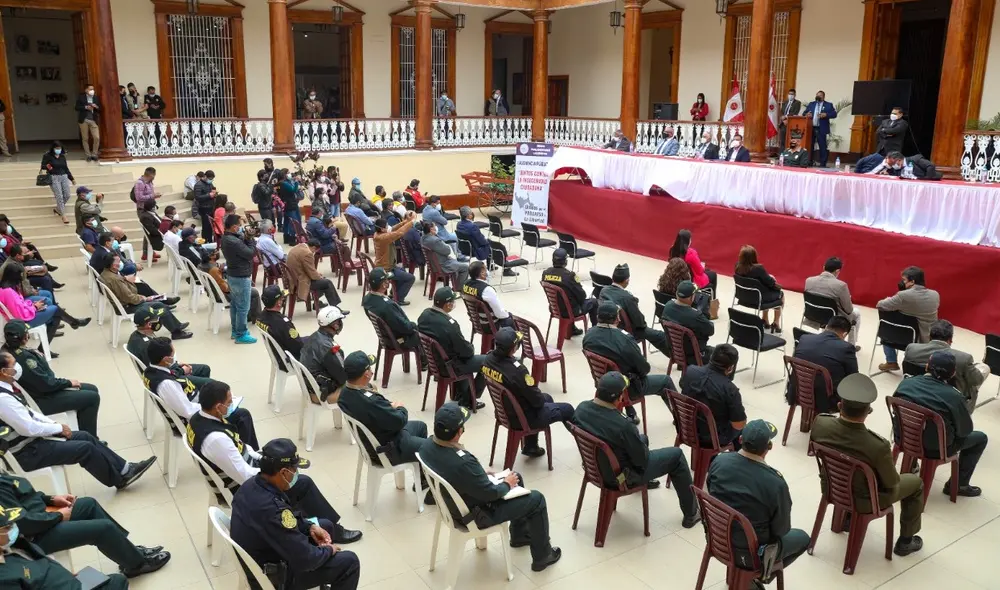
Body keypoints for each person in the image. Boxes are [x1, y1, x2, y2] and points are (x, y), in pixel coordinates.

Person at [419, 402, 562, 571]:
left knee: (516, 476)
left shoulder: (427, 446)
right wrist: (506, 484)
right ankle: (543, 556)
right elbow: (491, 493)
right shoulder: (463, 463)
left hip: (453, 504)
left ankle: (520, 535)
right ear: (458, 432)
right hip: (476, 514)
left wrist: (479, 476)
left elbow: (460, 473)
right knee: (537, 499)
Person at [0, 351, 156, 490]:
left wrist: (55, 425)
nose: (18, 367)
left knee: (85, 436)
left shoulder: (7, 389)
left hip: (33, 442)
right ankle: (119, 480)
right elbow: (27, 427)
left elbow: (30, 413)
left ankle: (125, 469)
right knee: (85, 448)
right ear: (4, 372)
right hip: (26, 453)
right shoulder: (3, 399)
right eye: (14, 365)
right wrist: (58, 429)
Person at [810, 373, 925, 557]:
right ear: (868, 412)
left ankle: (846, 518)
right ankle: (906, 541)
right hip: (865, 500)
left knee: (854, 475)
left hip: (832, 487)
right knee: (916, 483)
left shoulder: (820, 423)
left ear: (840, 406)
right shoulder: (877, 446)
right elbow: (891, 482)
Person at [229, 438, 362, 590]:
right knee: (349, 562)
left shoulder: (251, 485)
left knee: (325, 525)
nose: (296, 474)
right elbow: (307, 559)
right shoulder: (273, 510)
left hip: (265, 552)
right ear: (283, 472)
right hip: (274, 576)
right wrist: (329, 550)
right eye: (294, 470)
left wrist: (310, 527)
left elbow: (287, 520)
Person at [572, 372, 700, 525]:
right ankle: (692, 514)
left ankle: (647, 480)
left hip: (595, 468)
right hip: (620, 478)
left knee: (642, 438)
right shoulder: (623, 426)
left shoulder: (580, 409)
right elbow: (642, 460)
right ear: (619, 397)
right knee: (676, 456)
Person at [0, 470, 171, 578]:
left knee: (88, 504)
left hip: (42, 516)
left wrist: (51, 499)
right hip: (33, 537)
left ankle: (129, 550)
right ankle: (136, 565)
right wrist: (58, 516)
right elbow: (23, 523)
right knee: (102, 529)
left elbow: (23, 494)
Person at [707, 419, 810, 580]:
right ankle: (762, 575)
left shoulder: (719, 461)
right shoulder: (775, 483)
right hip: (751, 555)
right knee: (803, 538)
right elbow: (781, 530)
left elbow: (710, 493)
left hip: (717, 538)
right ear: (769, 447)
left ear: (740, 439)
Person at [337, 351, 434, 498]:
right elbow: (399, 421)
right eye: (370, 369)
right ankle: (432, 493)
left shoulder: (344, 393)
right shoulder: (370, 402)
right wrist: (400, 407)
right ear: (366, 374)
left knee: (420, 426)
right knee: (431, 448)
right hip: (389, 448)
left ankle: (423, 479)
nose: (372, 371)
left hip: (371, 443)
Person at [892, 352, 988, 497]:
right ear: (952, 374)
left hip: (903, 438)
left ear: (926, 366)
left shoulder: (906, 383)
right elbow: (965, 431)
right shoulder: (954, 396)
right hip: (935, 449)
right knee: (980, 438)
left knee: (919, 427)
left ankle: (910, 466)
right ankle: (959, 485)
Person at [483, 328, 574, 458]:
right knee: (567, 409)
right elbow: (537, 402)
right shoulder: (518, 371)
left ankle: (531, 446)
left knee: (547, 397)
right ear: (514, 348)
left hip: (504, 411)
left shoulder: (488, 360)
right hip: (522, 418)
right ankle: (584, 442)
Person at [3, 321, 101, 438]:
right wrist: (67, 383)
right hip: (40, 399)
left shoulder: (7, 352)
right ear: (24, 337)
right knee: (92, 398)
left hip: (40, 391)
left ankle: (88, 434)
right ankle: (92, 439)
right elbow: (45, 384)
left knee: (92, 389)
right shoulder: (22, 358)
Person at [0, 502, 130, 589]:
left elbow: (40, 564)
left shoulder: (15, 546)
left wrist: (63, 576)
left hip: (69, 582)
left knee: (117, 580)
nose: (13, 527)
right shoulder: (5, 580)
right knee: (116, 584)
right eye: (7, 526)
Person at [583, 301, 674, 424]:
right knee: (665, 381)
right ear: (617, 319)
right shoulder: (625, 339)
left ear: (598, 316)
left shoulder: (588, 335)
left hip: (602, 381)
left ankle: (631, 412)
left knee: (621, 369)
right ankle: (681, 419)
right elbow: (644, 369)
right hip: (628, 387)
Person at [418, 287, 486, 410]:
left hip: (434, 362)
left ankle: (459, 394)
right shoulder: (450, 325)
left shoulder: (424, 315)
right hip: (449, 366)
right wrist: (471, 347)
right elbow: (466, 352)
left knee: (457, 354)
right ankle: (469, 399)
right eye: (453, 301)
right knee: (488, 362)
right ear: (448, 305)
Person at [98, 253, 190, 340]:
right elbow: (130, 298)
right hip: (128, 306)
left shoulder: (105, 273)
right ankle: (176, 333)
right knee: (161, 309)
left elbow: (125, 293)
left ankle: (176, 326)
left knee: (158, 303)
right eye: (118, 261)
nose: (121, 263)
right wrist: (144, 298)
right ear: (113, 265)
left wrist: (126, 280)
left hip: (124, 303)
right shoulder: (115, 280)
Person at [905, 320, 990, 412]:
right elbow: (977, 380)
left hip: (916, 394)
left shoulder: (911, 349)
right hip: (950, 404)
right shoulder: (963, 359)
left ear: (929, 336)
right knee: (984, 368)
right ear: (950, 340)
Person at [0, 262, 90, 345]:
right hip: (23, 322)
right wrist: (35, 307)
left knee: (56, 315)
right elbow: (20, 314)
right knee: (55, 310)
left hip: (24, 314)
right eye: (20, 275)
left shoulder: (8, 288)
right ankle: (74, 322)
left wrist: (32, 304)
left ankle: (73, 323)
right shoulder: (8, 292)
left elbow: (20, 304)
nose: (22, 277)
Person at [785, 316, 858, 414]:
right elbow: (854, 377)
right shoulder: (847, 348)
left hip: (797, 392)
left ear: (826, 327)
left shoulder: (804, 338)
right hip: (826, 401)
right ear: (845, 334)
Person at [680, 344, 746, 449]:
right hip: (712, 438)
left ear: (711, 357)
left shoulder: (690, 371)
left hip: (685, 428)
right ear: (730, 368)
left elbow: (682, 385)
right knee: (744, 430)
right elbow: (739, 425)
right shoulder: (730, 389)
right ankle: (736, 459)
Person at [598, 263, 671, 356]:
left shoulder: (603, 291)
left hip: (609, 326)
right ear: (627, 280)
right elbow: (640, 323)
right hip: (628, 330)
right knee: (660, 336)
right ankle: (675, 357)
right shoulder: (627, 297)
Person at [876, 266, 940, 372]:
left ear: (912, 282)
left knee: (887, 320)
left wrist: (890, 298)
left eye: (904, 280)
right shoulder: (935, 295)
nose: (902, 282)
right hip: (930, 338)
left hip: (906, 338)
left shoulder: (903, 296)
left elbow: (880, 305)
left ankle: (891, 361)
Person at [127, 306, 211, 387]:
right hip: (166, 379)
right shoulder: (148, 346)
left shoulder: (135, 336)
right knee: (209, 381)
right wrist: (181, 370)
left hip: (160, 371)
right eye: (156, 319)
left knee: (204, 368)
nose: (159, 320)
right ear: (149, 324)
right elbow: (160, 372)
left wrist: (177, 364)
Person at [362, 268, 423, 362]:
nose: (389, 281)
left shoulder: (366, 300)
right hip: (397, 340)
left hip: (385, 336)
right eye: (387, 279)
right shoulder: (387, 306)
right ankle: (424, 362)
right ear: (384, 284)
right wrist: (414, 325)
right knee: (425, 332)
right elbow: (405, 328)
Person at [804, 256, 862, 346]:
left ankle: (825, 335)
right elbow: (849, 310)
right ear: (837, 271)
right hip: (833, 319)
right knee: (856, 313)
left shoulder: (809, 280)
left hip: (812, 315)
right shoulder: (841, 286)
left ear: (824, 267)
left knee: (825, 309)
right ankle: (851, 345)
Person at [220, 214, 257, 344]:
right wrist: (251, 240)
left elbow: (242, 245)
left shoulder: (226, 237)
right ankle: (241, 334)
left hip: (233, 274)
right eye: (239, 226)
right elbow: (250, 253)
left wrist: (246, 237)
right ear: (234, 227)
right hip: (241, 276)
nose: (240, 228)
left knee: (235, 304)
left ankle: (235, 331)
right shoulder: (234, 241)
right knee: (243, 307)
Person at [300, 306, 350, 403]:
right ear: (335, 325)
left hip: (310, 386)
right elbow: (342, 378)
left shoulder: (313, 337)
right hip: (320, 393)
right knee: (366, 385)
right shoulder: (329, 349)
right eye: (339, 321)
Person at [542, 248, 598, 332]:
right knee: (594, 302)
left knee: (568, 297)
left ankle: (572, 329)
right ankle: (595, 331)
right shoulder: (570, 276)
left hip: (554, 308)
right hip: (570, 312)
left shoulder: (545, 273)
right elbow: (582, 296)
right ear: (565, 261)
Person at [661, 280, 715, 365]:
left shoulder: (668, 306)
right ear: (692, 297)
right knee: (727, 355)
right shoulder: (695, 315)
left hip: (675, 351)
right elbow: (711, 330)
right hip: (695, 355)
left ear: (676, 294)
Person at [204, 248, 261, 325]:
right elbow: (226, 288)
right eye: (215, 252)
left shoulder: (206, 265)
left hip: (215, 292)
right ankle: (257, 318)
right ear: (211, 256)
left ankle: (249, 316)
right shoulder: (214, 270)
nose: (218, 252)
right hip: (224, 295)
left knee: (247, 284)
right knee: (254, 292)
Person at [734, 245, 783, 331]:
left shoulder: (737, 267)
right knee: (780, 295)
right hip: (758, 299)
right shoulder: (758, 269)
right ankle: (776, 322)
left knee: (764, 290)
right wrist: (778, 286)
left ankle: (765, 319)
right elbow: (770, 283)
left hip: (743, 297)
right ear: (754, 256)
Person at [287, 239, 343, 308]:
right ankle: (335, 308)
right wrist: (319, 276)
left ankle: (317, 302)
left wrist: (317, 274)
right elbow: (313, 275)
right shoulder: (307, 253)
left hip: (293, 279)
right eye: (315, 251)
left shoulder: (298, 247)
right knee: (327, 283)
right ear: (313, 247)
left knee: (322, 282)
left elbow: (307, 269)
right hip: (301, 282)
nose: (314, 253)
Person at [256, 286, 305, 359]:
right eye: (282, 298)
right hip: (290, 358)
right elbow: (298, 347)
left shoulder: (260, 317)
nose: (283, 300)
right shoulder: (284, 323)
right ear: (278, 302)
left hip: (277, 354)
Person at [463, 261, 512, 329]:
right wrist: (508, 315)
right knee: (510, 318)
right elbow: (500, 314)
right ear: (482, 273)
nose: (487, 271)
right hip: (490, 325)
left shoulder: (465, 284)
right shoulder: (486, 290)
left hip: (476, 322)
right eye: (486, 269)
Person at [669, 229, 717, 296]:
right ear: (687, 241)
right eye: (690, 239)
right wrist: (702, 266)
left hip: (678, 277)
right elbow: (700, 271)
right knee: (713, 275)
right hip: (692, 280)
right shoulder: (691, 253)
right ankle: (711, 299)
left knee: (710, 273)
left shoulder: (672, 250)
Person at [421, 221, 470, 286]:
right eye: (435, 226)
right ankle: (459, 288)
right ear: (431, 229)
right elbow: (447, 251)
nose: (436, 228)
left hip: (434, 264)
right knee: (465, 267)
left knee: (455, 262)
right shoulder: (435, 240)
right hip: (442, 265)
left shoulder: (423, 238)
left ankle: (456, 286)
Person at [40, 141, 74, 225]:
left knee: (67, 195)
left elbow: (66, 168)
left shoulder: (62, 157)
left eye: (59, 148)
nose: (58, 150)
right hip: (54, 177)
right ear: (53, 148)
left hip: (64, 176)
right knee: (59, 196)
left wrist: (71, 178)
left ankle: (58, 209)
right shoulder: (48, 156)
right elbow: (43, 166)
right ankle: (63, 215)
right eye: (56, 148)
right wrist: (49, 167)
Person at [803, 90, 837, 167]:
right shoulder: (811, 104)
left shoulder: (828, 105)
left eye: (820, 95)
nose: (818, 96)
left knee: (822, 146)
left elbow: (834, 114)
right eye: (817, 95)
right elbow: (804, 113)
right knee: (810, 145)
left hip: (821, 128)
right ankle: (809, 161)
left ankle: (823, 163)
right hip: (811, 128)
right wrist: (807, 114)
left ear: (823, 97)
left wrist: (826, 115)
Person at [867, 150, 943, 180]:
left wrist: (926, 180)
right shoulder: (895, 169)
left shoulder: (915, 159)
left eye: (893, 163)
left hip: (927, 180)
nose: (892, 166)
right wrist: (887, 173)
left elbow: (930, 166)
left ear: (899, 160)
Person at [74, 83, 101, 162]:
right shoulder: (81, 97)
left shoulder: (95, 97)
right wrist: (86, 107)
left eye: (93, 89)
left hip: (93, 120)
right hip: (84, 120)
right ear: (86, 90)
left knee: (96, 137)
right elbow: (76, 107)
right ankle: (88, 155)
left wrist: (96, 107)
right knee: (85, 138)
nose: (92, 91)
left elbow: (100, 108)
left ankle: (94, 154)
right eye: (90, 89)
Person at [194, 170, 218, 241]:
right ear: (205, 176)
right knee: (206, 227)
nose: (211, 180)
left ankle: (210, 240)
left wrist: (214, 194)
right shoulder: (198, 185)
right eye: (210, 179)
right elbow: (197, 197)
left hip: (211, 207)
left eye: (212, 179)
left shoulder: (210, 184)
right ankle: (205, 241)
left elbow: (212, 192)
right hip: (204, 208)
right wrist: (209, 195)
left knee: (210, 227)